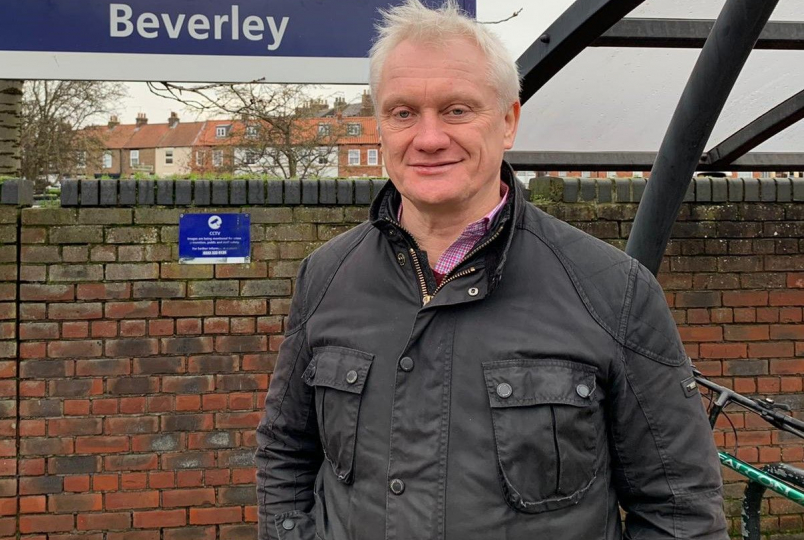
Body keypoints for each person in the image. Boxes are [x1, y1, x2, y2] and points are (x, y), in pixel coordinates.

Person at [255, 1, 728, 539]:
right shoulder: (326, 277)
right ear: (380, 127)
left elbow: (679, 509)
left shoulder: (612, 291)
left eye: (457, 110)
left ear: (508, 121)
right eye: (403, 112)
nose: (428, 138)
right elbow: (284, 454)